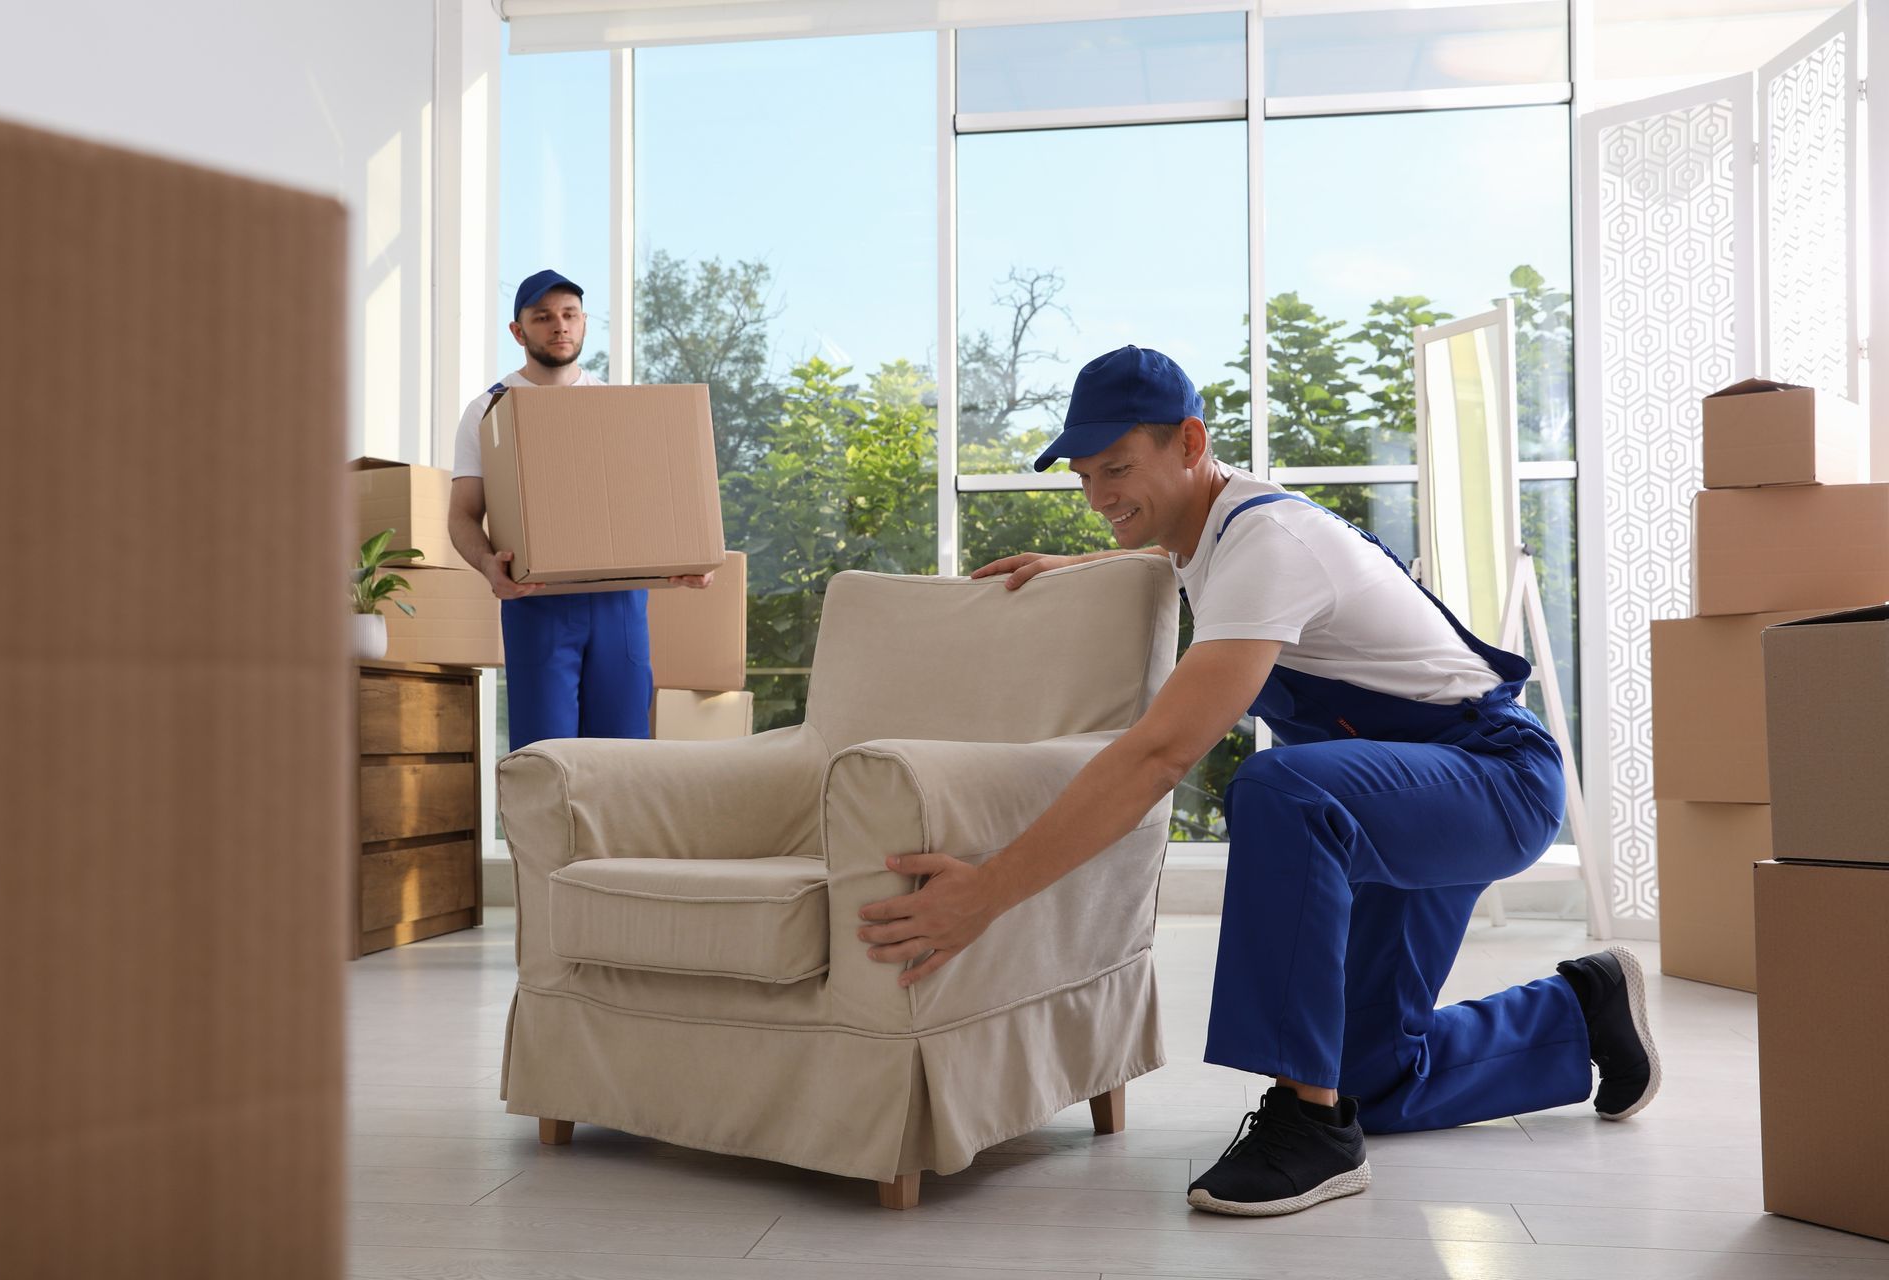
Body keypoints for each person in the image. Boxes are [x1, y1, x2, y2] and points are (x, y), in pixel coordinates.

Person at [853, 345, 1659, 1217]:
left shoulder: (1267, 544)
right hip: (1393, 798)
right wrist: (1078, 563)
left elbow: (1160, 755)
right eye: (1084, 476)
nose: (1097, 496)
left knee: (1282, 790)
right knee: (1371, 1076)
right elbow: (1176, 560)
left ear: (1191, 442)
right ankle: (1584, 1009)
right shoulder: (1209, 534)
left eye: (1116, 468)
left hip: (1487, 779)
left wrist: (987, 894)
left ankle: (1309, 1128)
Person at [448, 268, 709, 750]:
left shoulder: (615, 405)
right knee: (544, 754)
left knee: (623, 753)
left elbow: (652, 503)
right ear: (518, 331)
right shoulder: (488, 410)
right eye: (543, 317)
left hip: (619, 602)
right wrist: (488, 566)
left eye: (570, 315)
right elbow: (462, 514)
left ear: (585, 322)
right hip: (536, 599)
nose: (559, 326)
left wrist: (688, 555)